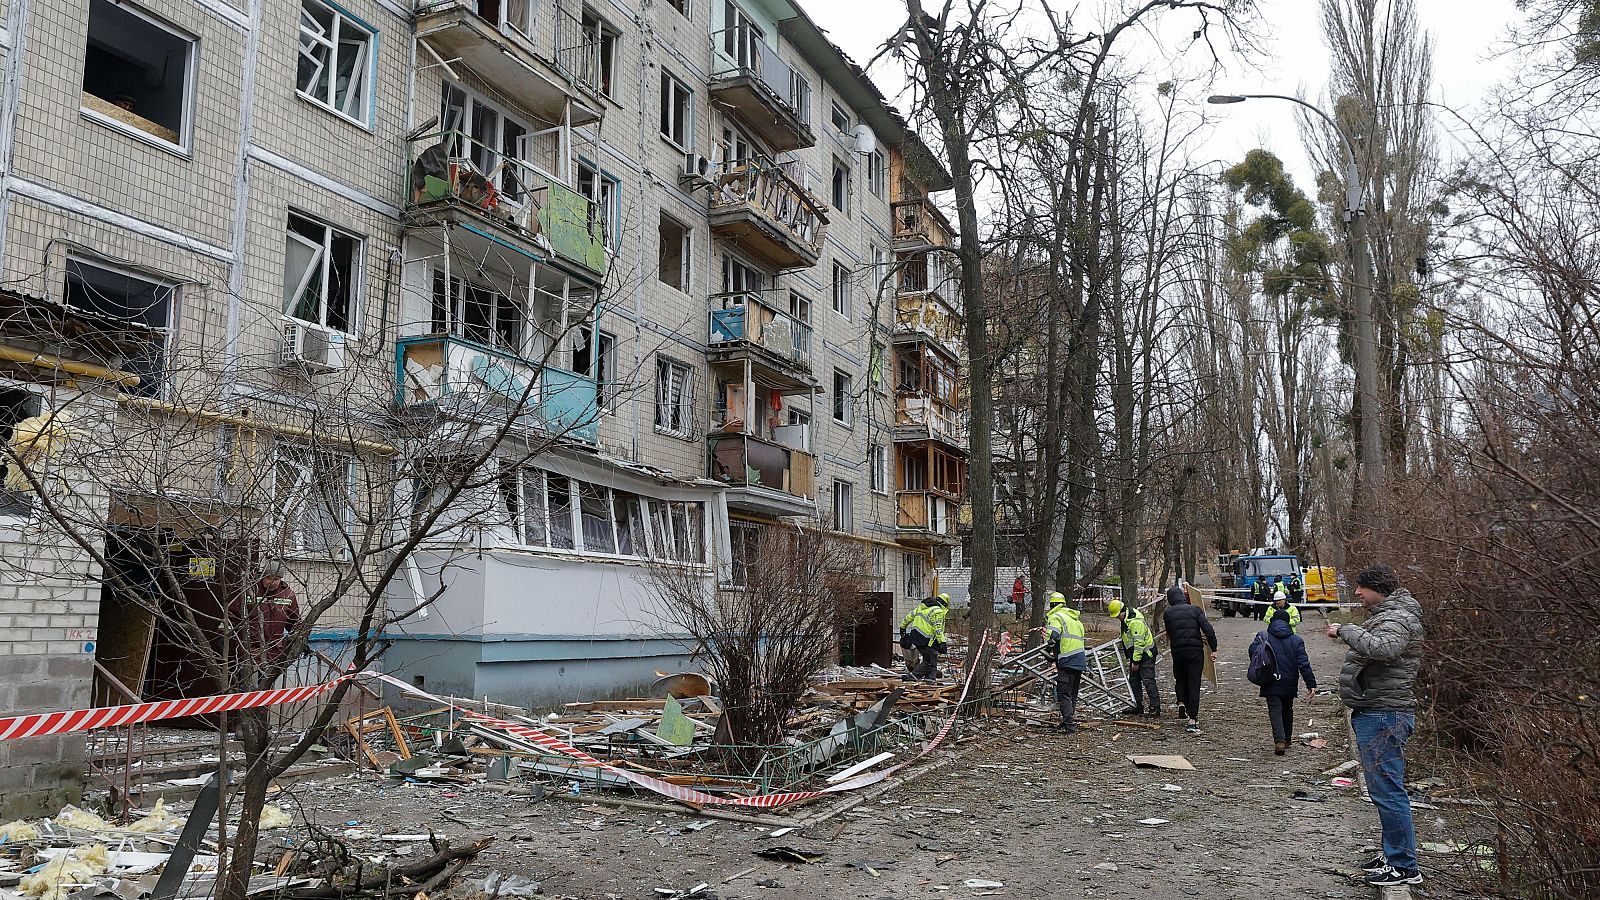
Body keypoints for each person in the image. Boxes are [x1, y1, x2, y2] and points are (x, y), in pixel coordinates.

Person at [1327, 564, 1425, 888]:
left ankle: (1403, 867)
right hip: (1378, 710)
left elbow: (1385, 649)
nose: (1356, 593)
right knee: (1384, 791)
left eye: (1361, 587)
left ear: (1377, 588)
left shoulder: (1396, 617)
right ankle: (1393, 854)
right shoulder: (1392, 614)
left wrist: (1345, 630)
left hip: (1384, 714)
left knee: (1388, 793)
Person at [1250, 613, 1317, 754]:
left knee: (1275, 710)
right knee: (1287, 709)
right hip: (1289, 680)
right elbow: (1303, 664)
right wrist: (1310, 683)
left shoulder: (1263, 636)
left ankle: (1279, 740)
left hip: (1270, 679)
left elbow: (1252, 653)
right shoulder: (1296, 640)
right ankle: (1286, 739)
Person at [1161, 584, 1217, 733]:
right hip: (1195, 652)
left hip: (1178, 651)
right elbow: (1208, 630)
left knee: (1180, 679)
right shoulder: (1195, 610)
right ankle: (1192, 718)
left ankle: (1181, 702)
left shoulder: (1168, 613)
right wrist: (1214, 648)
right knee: (1194, 683)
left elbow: (1170, 632)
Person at [228, 563, 301, 672]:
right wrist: (224, 635)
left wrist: (301, 639)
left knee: (267, 686)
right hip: (249, 651)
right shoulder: (250, 591)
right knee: (247, 685)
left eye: (276, 579)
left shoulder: (287, 595)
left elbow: (294, 622)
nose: (272, 582)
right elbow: (232, 615)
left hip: (274, 653)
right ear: (263, 576)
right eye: (269, 578)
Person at [1108, 598, 1159, 717]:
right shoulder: (1127, 620)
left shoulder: (1135, 622)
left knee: (1148, 680)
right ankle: (1138, 705)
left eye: (1117, 615)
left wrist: (1135, 661)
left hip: (1146, 655)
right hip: (1137, 655)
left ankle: (1155, 707)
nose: (1117, 618)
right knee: (1134, 681)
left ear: (1122, 611)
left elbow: (1139, 643)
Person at [1044, 592, 1086, 733]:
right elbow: (1070, 642)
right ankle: (1068, 720)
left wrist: (1048, 650)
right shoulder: (1075, 620)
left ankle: (1069, 725)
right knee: (1072, 694)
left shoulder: (1056, 617)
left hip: (1067, 661)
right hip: (1079, 661)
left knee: (1064, 695)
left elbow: (1053, 637)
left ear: (1053, 605)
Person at [899, 593, 950, 680]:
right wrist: (942, 642)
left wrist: (902, 628)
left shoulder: (922, 607)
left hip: (915, 636)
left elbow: (909, 617)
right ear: (945, 604)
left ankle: (930, 678)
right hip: (926, 639)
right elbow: (937, 628)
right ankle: (913, 676)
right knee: (929, 661)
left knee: (933, 655)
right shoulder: (938, 611)